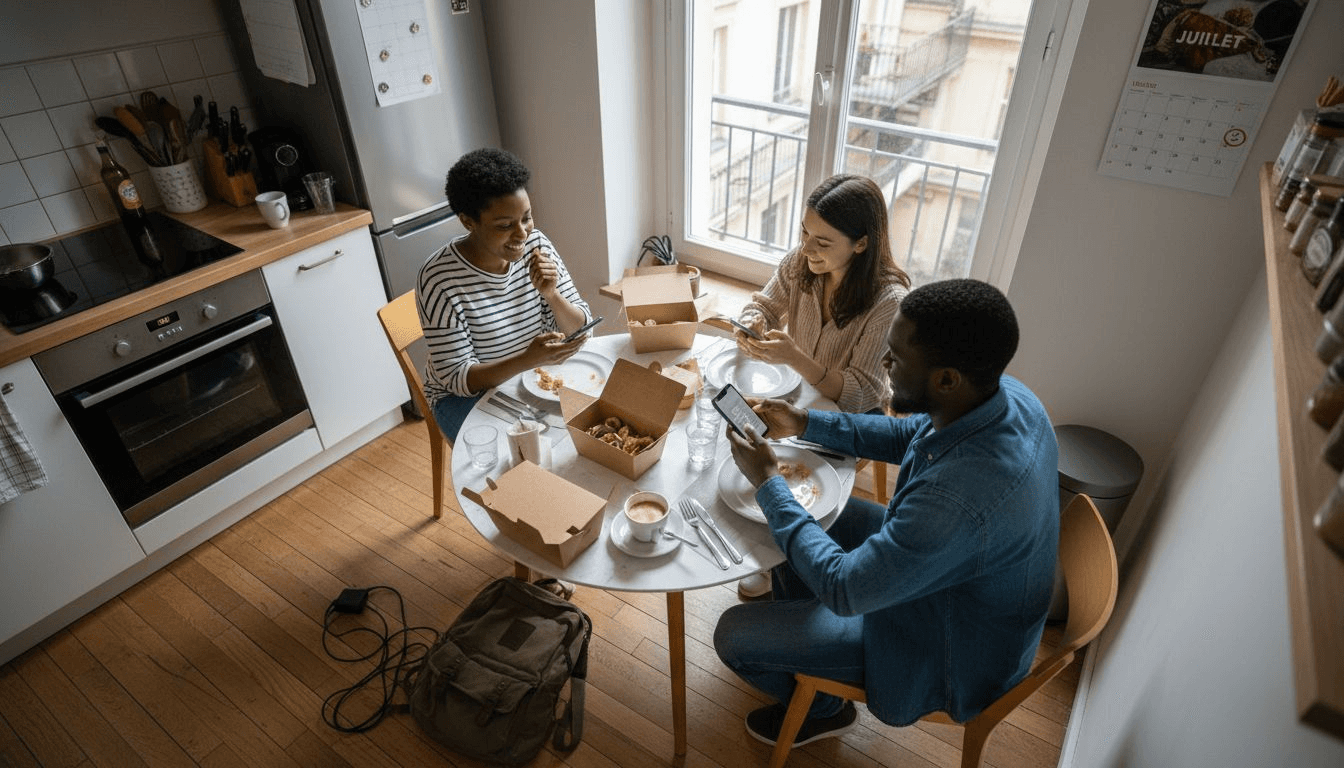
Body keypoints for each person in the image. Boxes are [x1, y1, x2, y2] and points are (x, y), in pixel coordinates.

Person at [714, 278, 1060, 750]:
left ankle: (822, 710)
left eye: (895, 357)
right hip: (960, 587)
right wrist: (804, 422)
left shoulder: (961, 500)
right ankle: (805, 646)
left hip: (944, 645)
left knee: (733, 633)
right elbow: (909, 435)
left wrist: (769, 482)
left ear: (946, 379)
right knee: (814, 520)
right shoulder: (1006, 397)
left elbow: (844, 588)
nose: (884, 364)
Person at [732, 173, 910, 598]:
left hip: (853, 412)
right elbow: (764, 304)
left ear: (861, 244)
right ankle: (767, 543)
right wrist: (752, 322)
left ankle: (775, 555)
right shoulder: (802, 263)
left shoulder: (888, 301)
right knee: (741, 429)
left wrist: (794, 357)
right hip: (799, 391)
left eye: (823, 242)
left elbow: (859, 393)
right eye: (804, 233)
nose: (807, 248)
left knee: (776, 462)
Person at [417, 147, 593, 441]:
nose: (522, 233)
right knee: (525, 453)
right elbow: (459, 379)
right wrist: (527, 359)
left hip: (527, 377)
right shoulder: (439, 279)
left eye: (527, 217)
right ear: (468, 222)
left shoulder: (536, 245)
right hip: (464, 398)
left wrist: (552, 295)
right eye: (505, 225)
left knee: (586, 429)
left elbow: (582, 331)